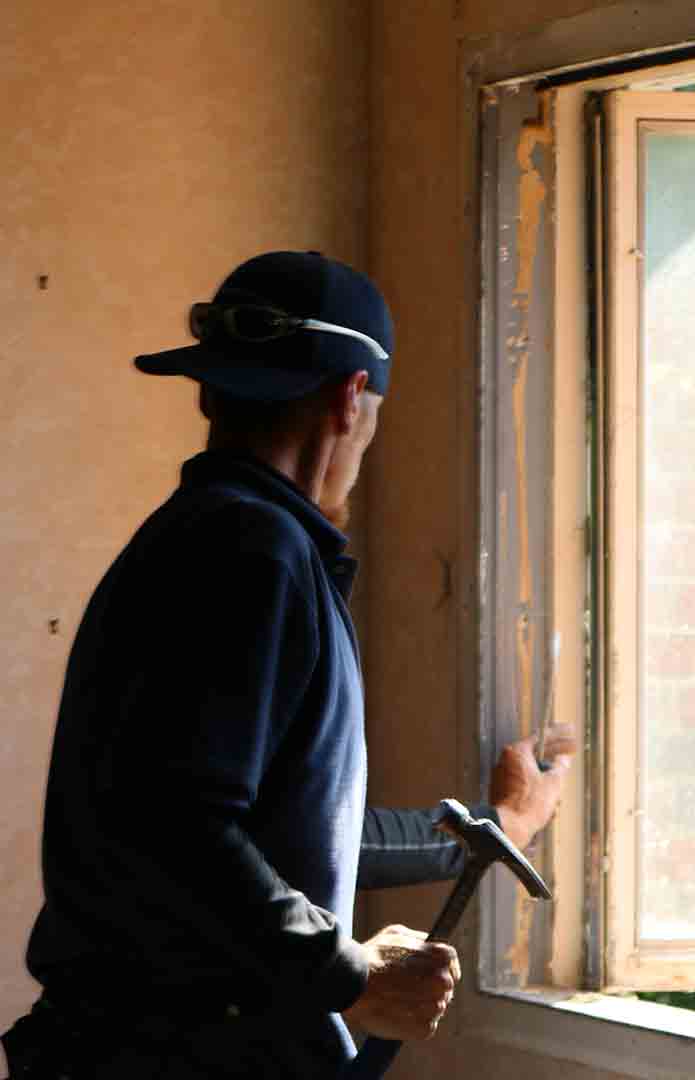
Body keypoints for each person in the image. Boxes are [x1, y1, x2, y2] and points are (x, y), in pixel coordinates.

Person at [2, 251, 574, 1079]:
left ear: (208, 389)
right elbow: (179, 826)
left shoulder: (209, 541)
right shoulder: (252, 553)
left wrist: (490, 832)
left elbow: (284, 824)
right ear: (351, 397)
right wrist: (343, 975)